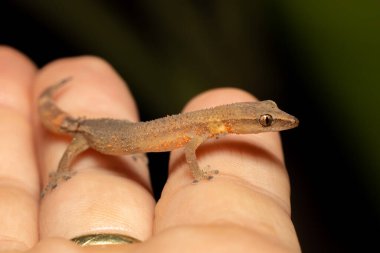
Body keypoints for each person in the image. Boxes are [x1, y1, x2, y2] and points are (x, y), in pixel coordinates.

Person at [0, 46, 301, 252]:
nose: (275, 124)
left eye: (267, 118)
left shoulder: (209, 126)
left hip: (127, 133)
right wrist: (198, 174)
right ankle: (58, 160)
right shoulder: (201, 130)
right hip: (102, 136)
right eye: (266, 121)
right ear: (235, 122)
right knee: (78, 137)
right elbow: (189, 154)